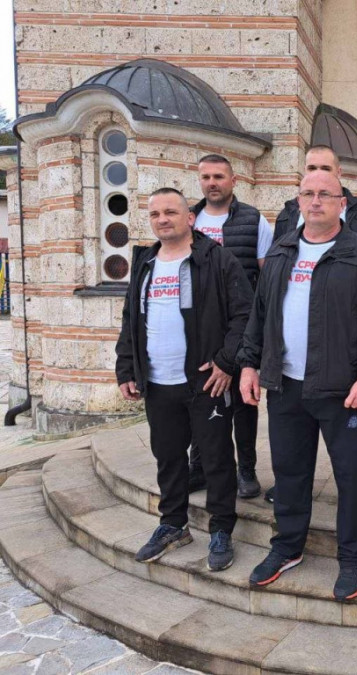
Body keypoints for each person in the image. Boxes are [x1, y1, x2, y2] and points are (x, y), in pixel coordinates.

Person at [239, 170, 357, 602]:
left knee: (352, 477)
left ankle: (353, 556)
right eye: (308, 193)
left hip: (340, 387)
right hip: (285, 383)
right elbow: (260, 313)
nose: (316, 200)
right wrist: (249, 364)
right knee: (289, 472)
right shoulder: (282, 248)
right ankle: (288, 547)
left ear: (342, 203)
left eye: (326, 194)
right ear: (298, 201)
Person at [115, 187, 252, 573]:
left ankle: (221, 529)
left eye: (171, 212)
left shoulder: (216, 259)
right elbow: (130, 319)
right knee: (168, 458)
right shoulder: (145, 263)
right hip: (158, 383)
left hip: (206, 382)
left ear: (189, 218)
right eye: (155, 213)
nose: (163, 219)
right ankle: (173, 524)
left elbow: (245, 314)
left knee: (216, 459)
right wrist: (126, 368)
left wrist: (226, 363)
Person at [188, 154, 273, 500]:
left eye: (219, 176)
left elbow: (267, 276)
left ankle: (246, 470)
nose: (212, 182)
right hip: (199, 328)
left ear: (233, 180)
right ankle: (199, 466)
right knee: (201, 397)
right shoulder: (188, 220)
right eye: (206, 177)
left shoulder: (253, 220)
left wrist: (263, 325)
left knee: (243, 402)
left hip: (242, 326)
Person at [273, 145, 357, 257]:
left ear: (339, 172)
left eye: (325, 169)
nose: (318, 173)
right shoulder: (287, 215)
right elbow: (275, 259)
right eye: (312, 168)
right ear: (304, 170)